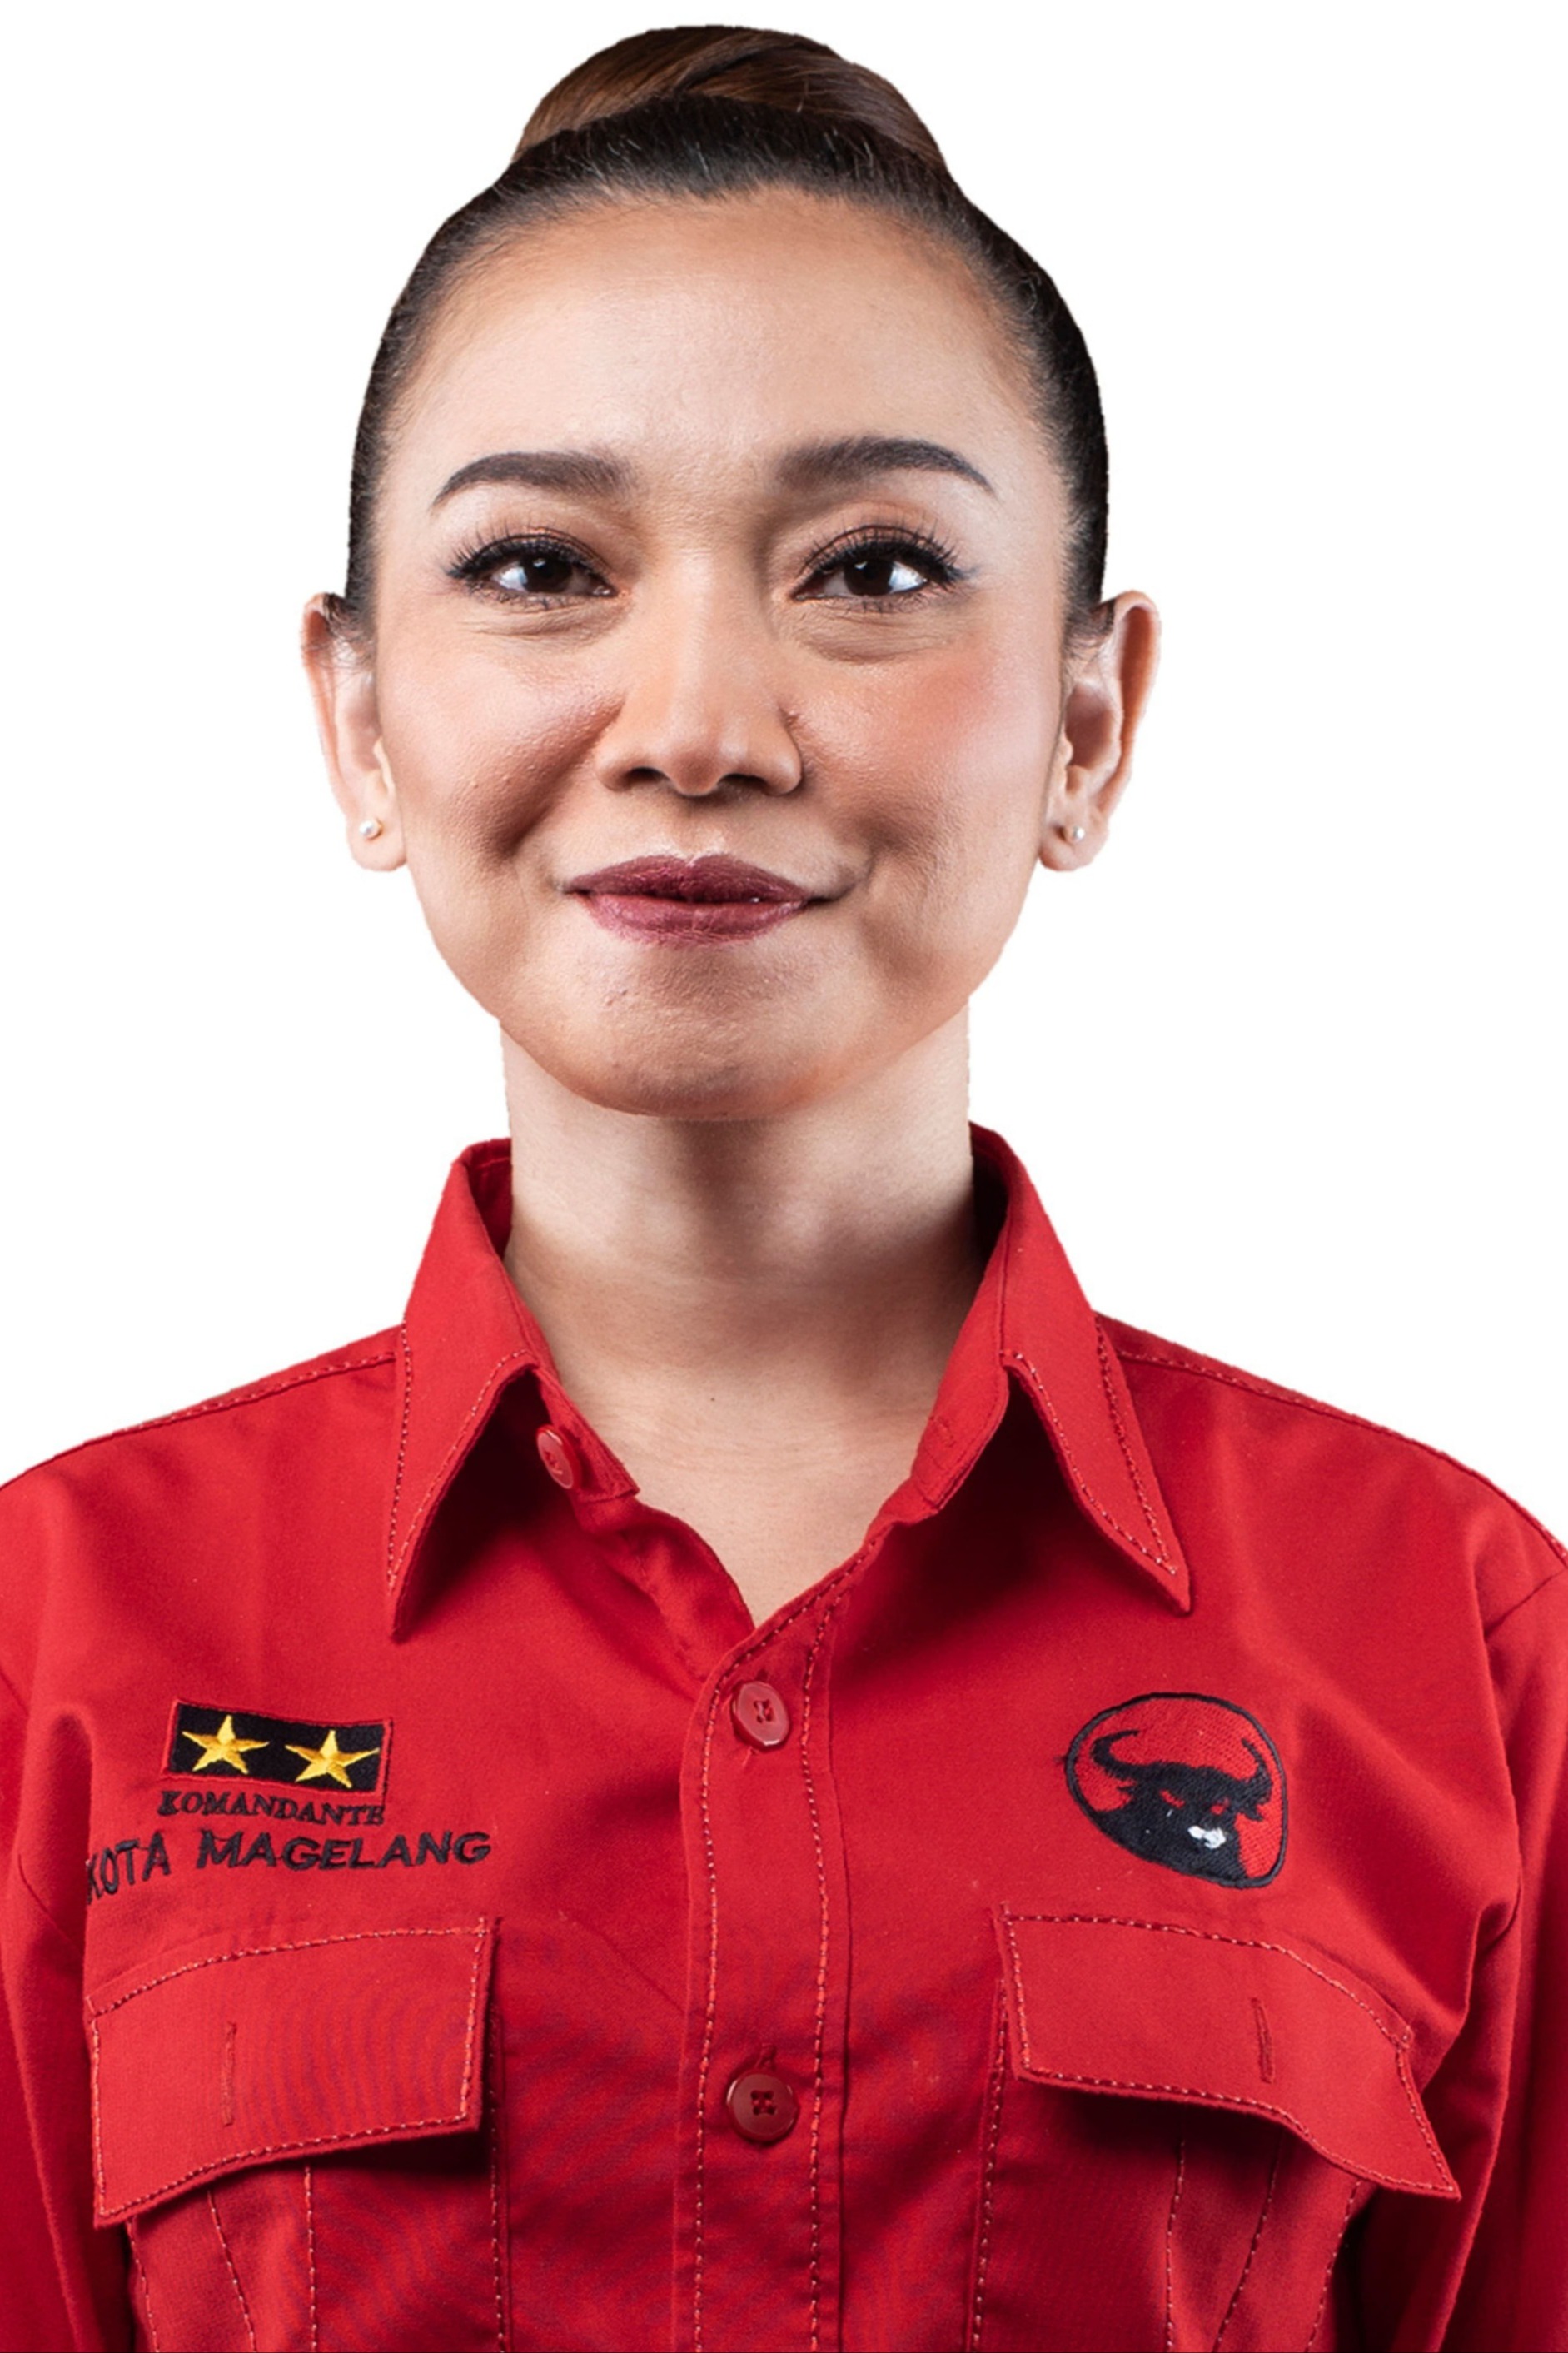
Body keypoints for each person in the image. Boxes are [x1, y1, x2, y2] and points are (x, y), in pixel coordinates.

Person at [1, 23, 1562, 2353]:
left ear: (1089, 721)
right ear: (355, 717)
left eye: (875, 567)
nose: (700, 723)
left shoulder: (1456, 1640)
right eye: (540, 564)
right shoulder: (58, 1647)